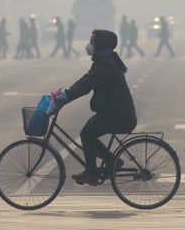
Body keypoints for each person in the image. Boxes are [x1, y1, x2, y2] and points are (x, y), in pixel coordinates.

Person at [45, 29, 137, 186]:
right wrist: (65, 93)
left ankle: (93, 172)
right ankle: (111, 161)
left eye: (92, 42)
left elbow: (86, 86)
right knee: (88, 132)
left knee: (87, 134)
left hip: (120, 116)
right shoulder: (104, 62)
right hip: (113, 112)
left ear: (100, 46)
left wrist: (66, 97)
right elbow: (85, 80)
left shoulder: (105, 66)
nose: (89, 45)